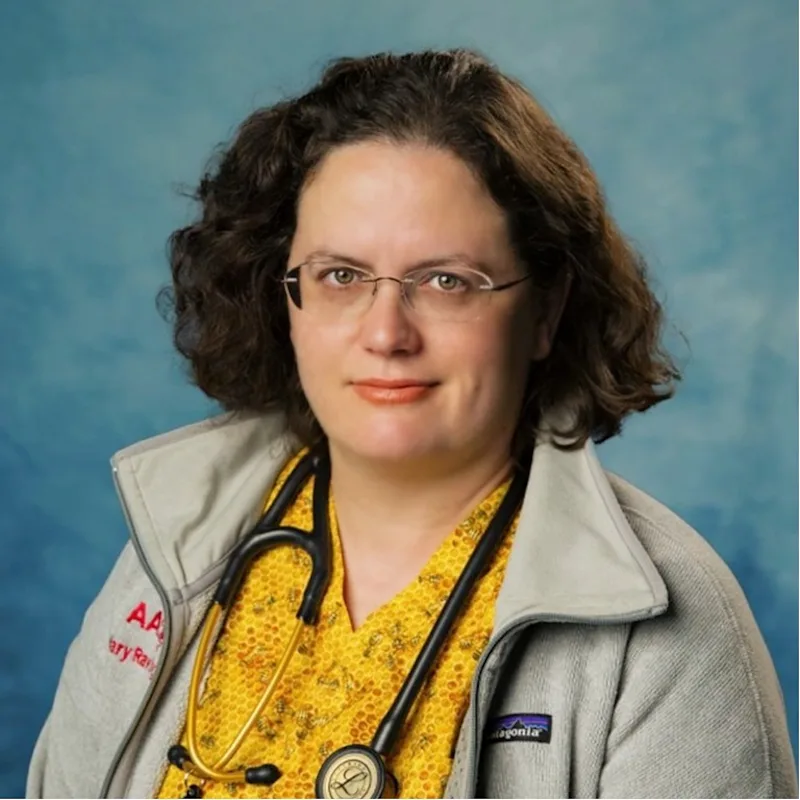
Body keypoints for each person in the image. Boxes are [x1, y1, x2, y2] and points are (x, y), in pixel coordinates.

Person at [27, 48, 796, 800]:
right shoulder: (173, 555)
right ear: (282, 295)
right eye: (340, 275)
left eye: (446, 281)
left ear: (545, 310)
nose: (387, 333)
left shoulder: (670, 628)